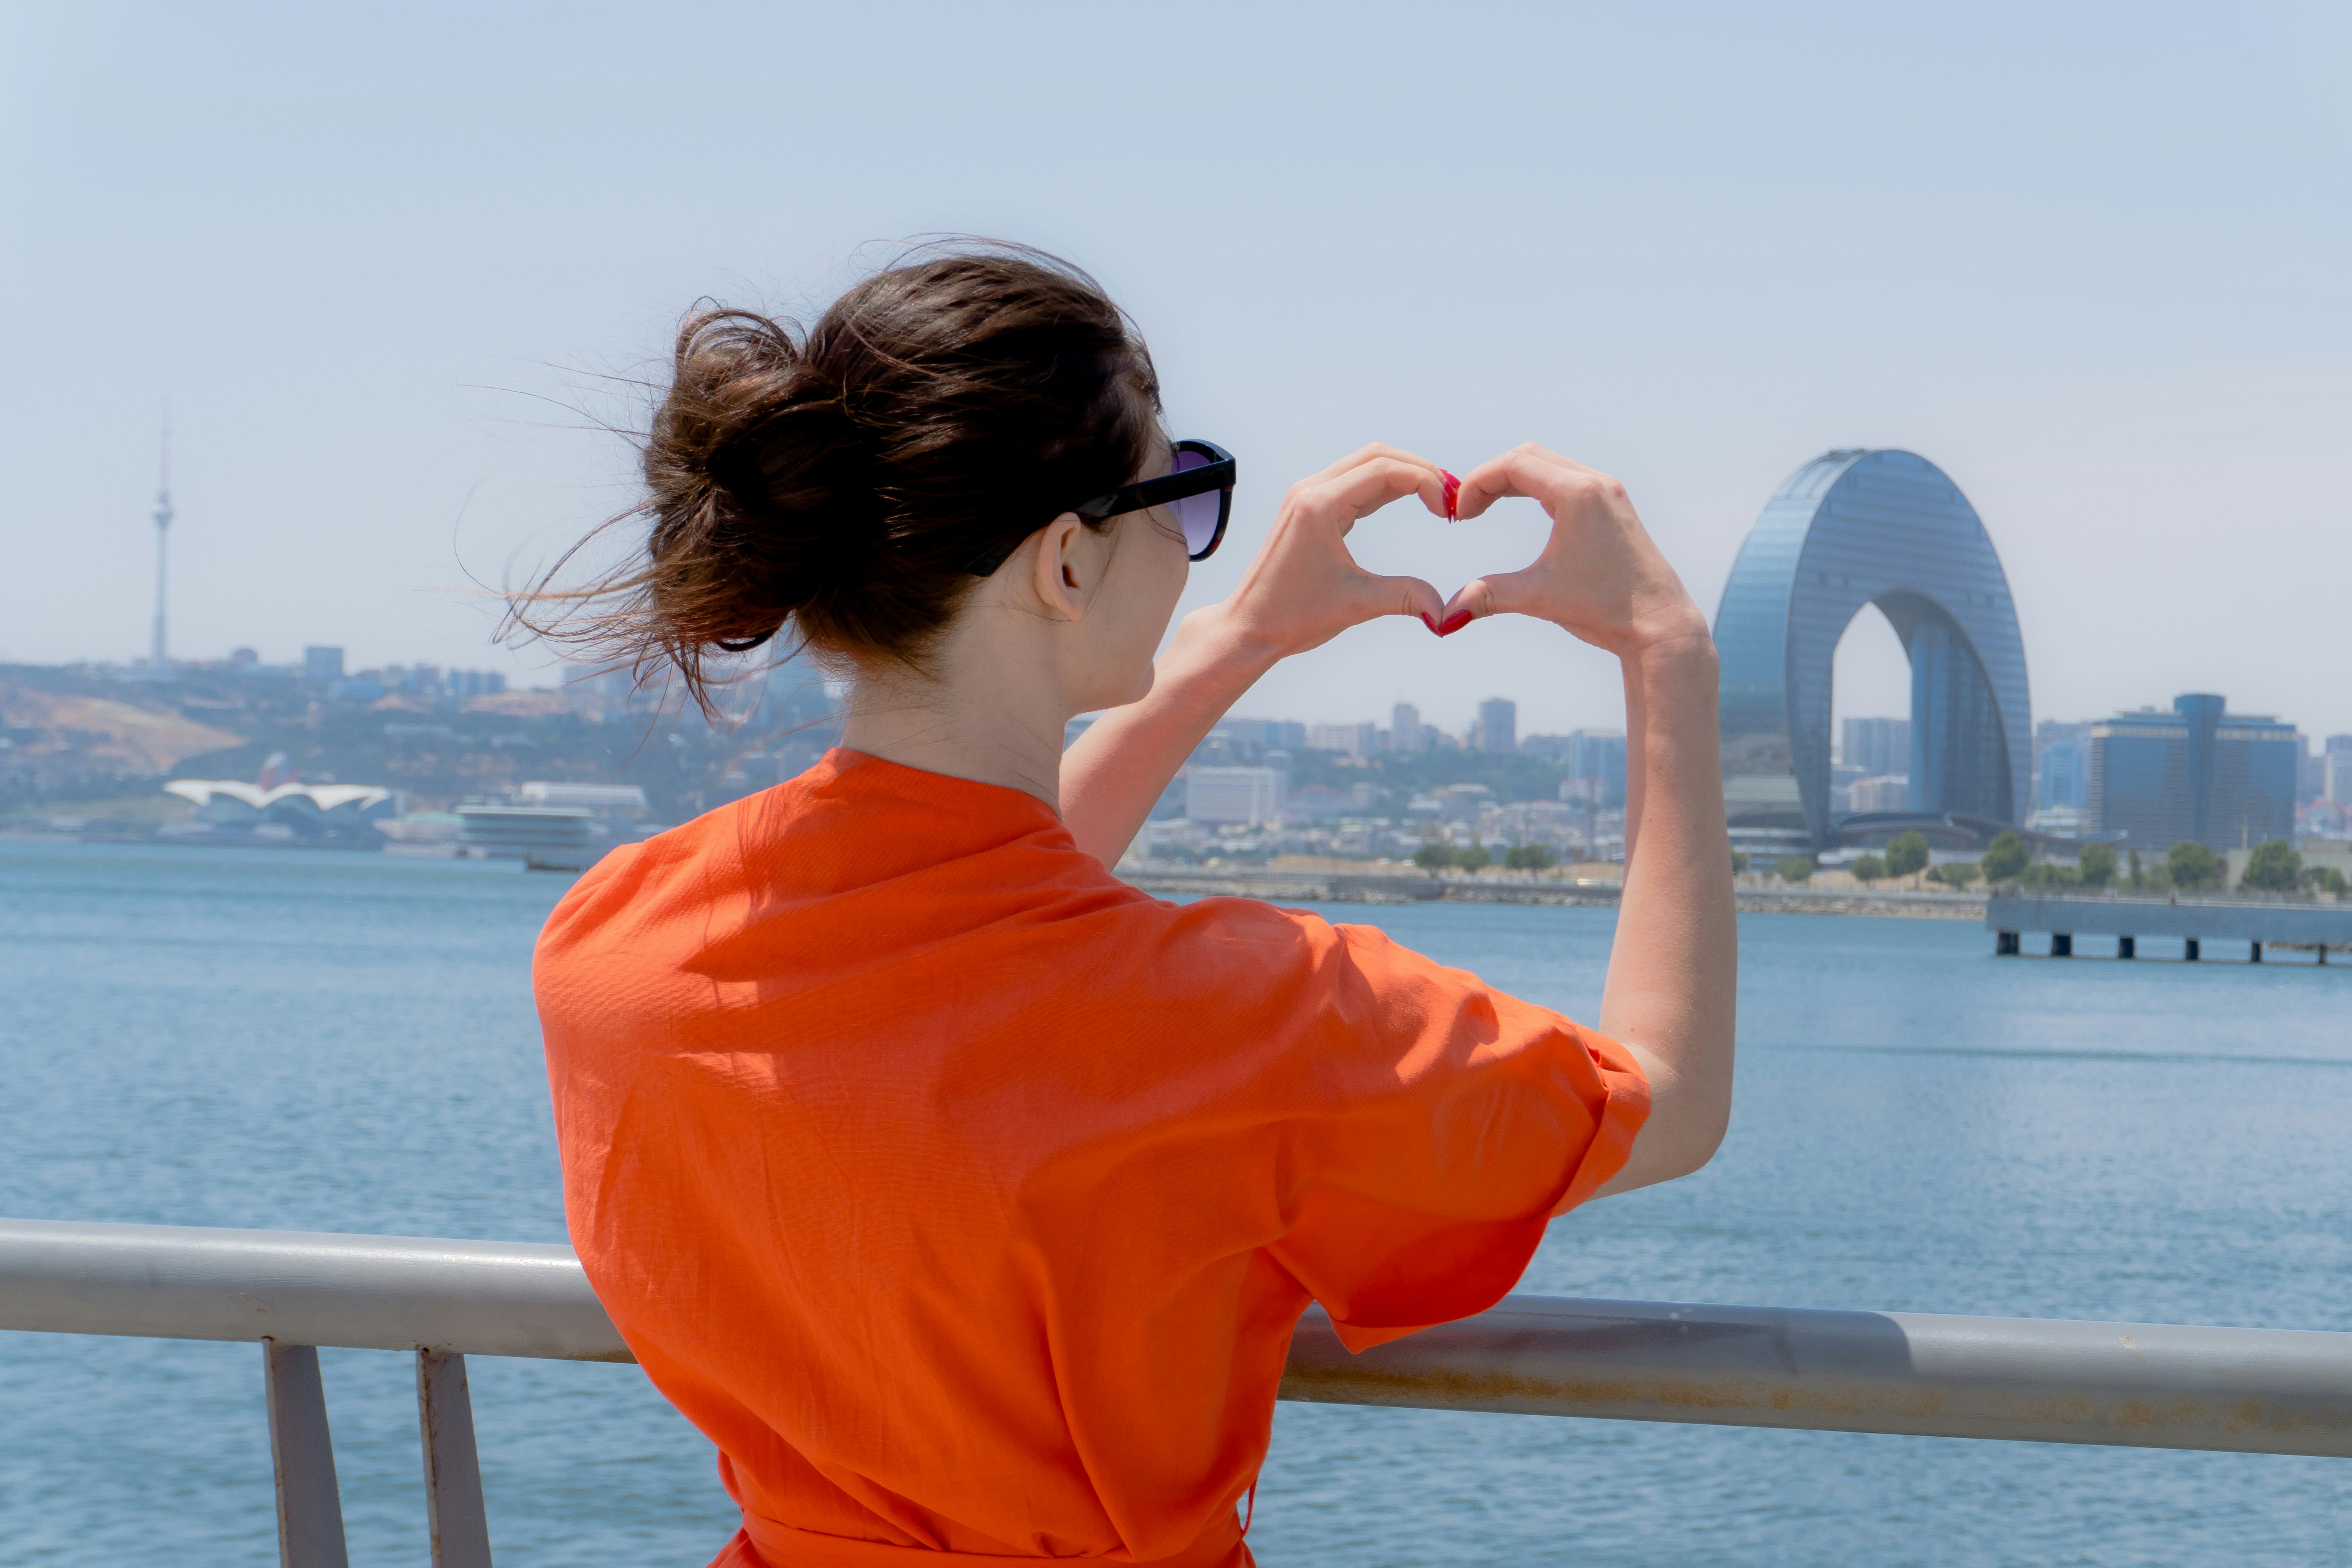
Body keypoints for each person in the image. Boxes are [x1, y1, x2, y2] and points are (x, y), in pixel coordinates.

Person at [527, 246, 1735, 1568]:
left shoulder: (616, 941)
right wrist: (1664, 651)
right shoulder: (1251, 1016)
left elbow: (968, 919)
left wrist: (1241, 639)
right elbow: (1660, 1101)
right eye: (1179, 492)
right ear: (1063, 564)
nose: (1187, 538)